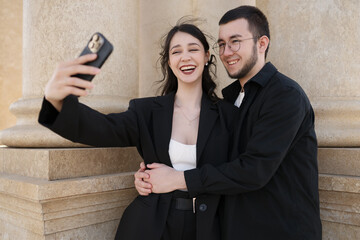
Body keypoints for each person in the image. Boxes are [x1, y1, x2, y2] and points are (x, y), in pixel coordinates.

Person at [38, 20, 237, 240]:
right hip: (151, 225)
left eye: (193, 49)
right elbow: (102, 128)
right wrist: (54, 100)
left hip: (209, 228)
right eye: (176, 51)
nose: (185, 57)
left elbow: (239, 172)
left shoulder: (229, 115)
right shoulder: (146, 111)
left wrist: (178, 178)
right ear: (169, 62)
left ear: (207, 56)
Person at [135, 5, 322, 239]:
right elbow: (215, 160)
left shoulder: (284, 96)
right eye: (222, 44)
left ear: (262, 44)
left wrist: (177, 179)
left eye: (235, 41)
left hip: (281, 229)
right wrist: (149, 177)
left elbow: (254, 170)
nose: (227, 51)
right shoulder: (232, 99)